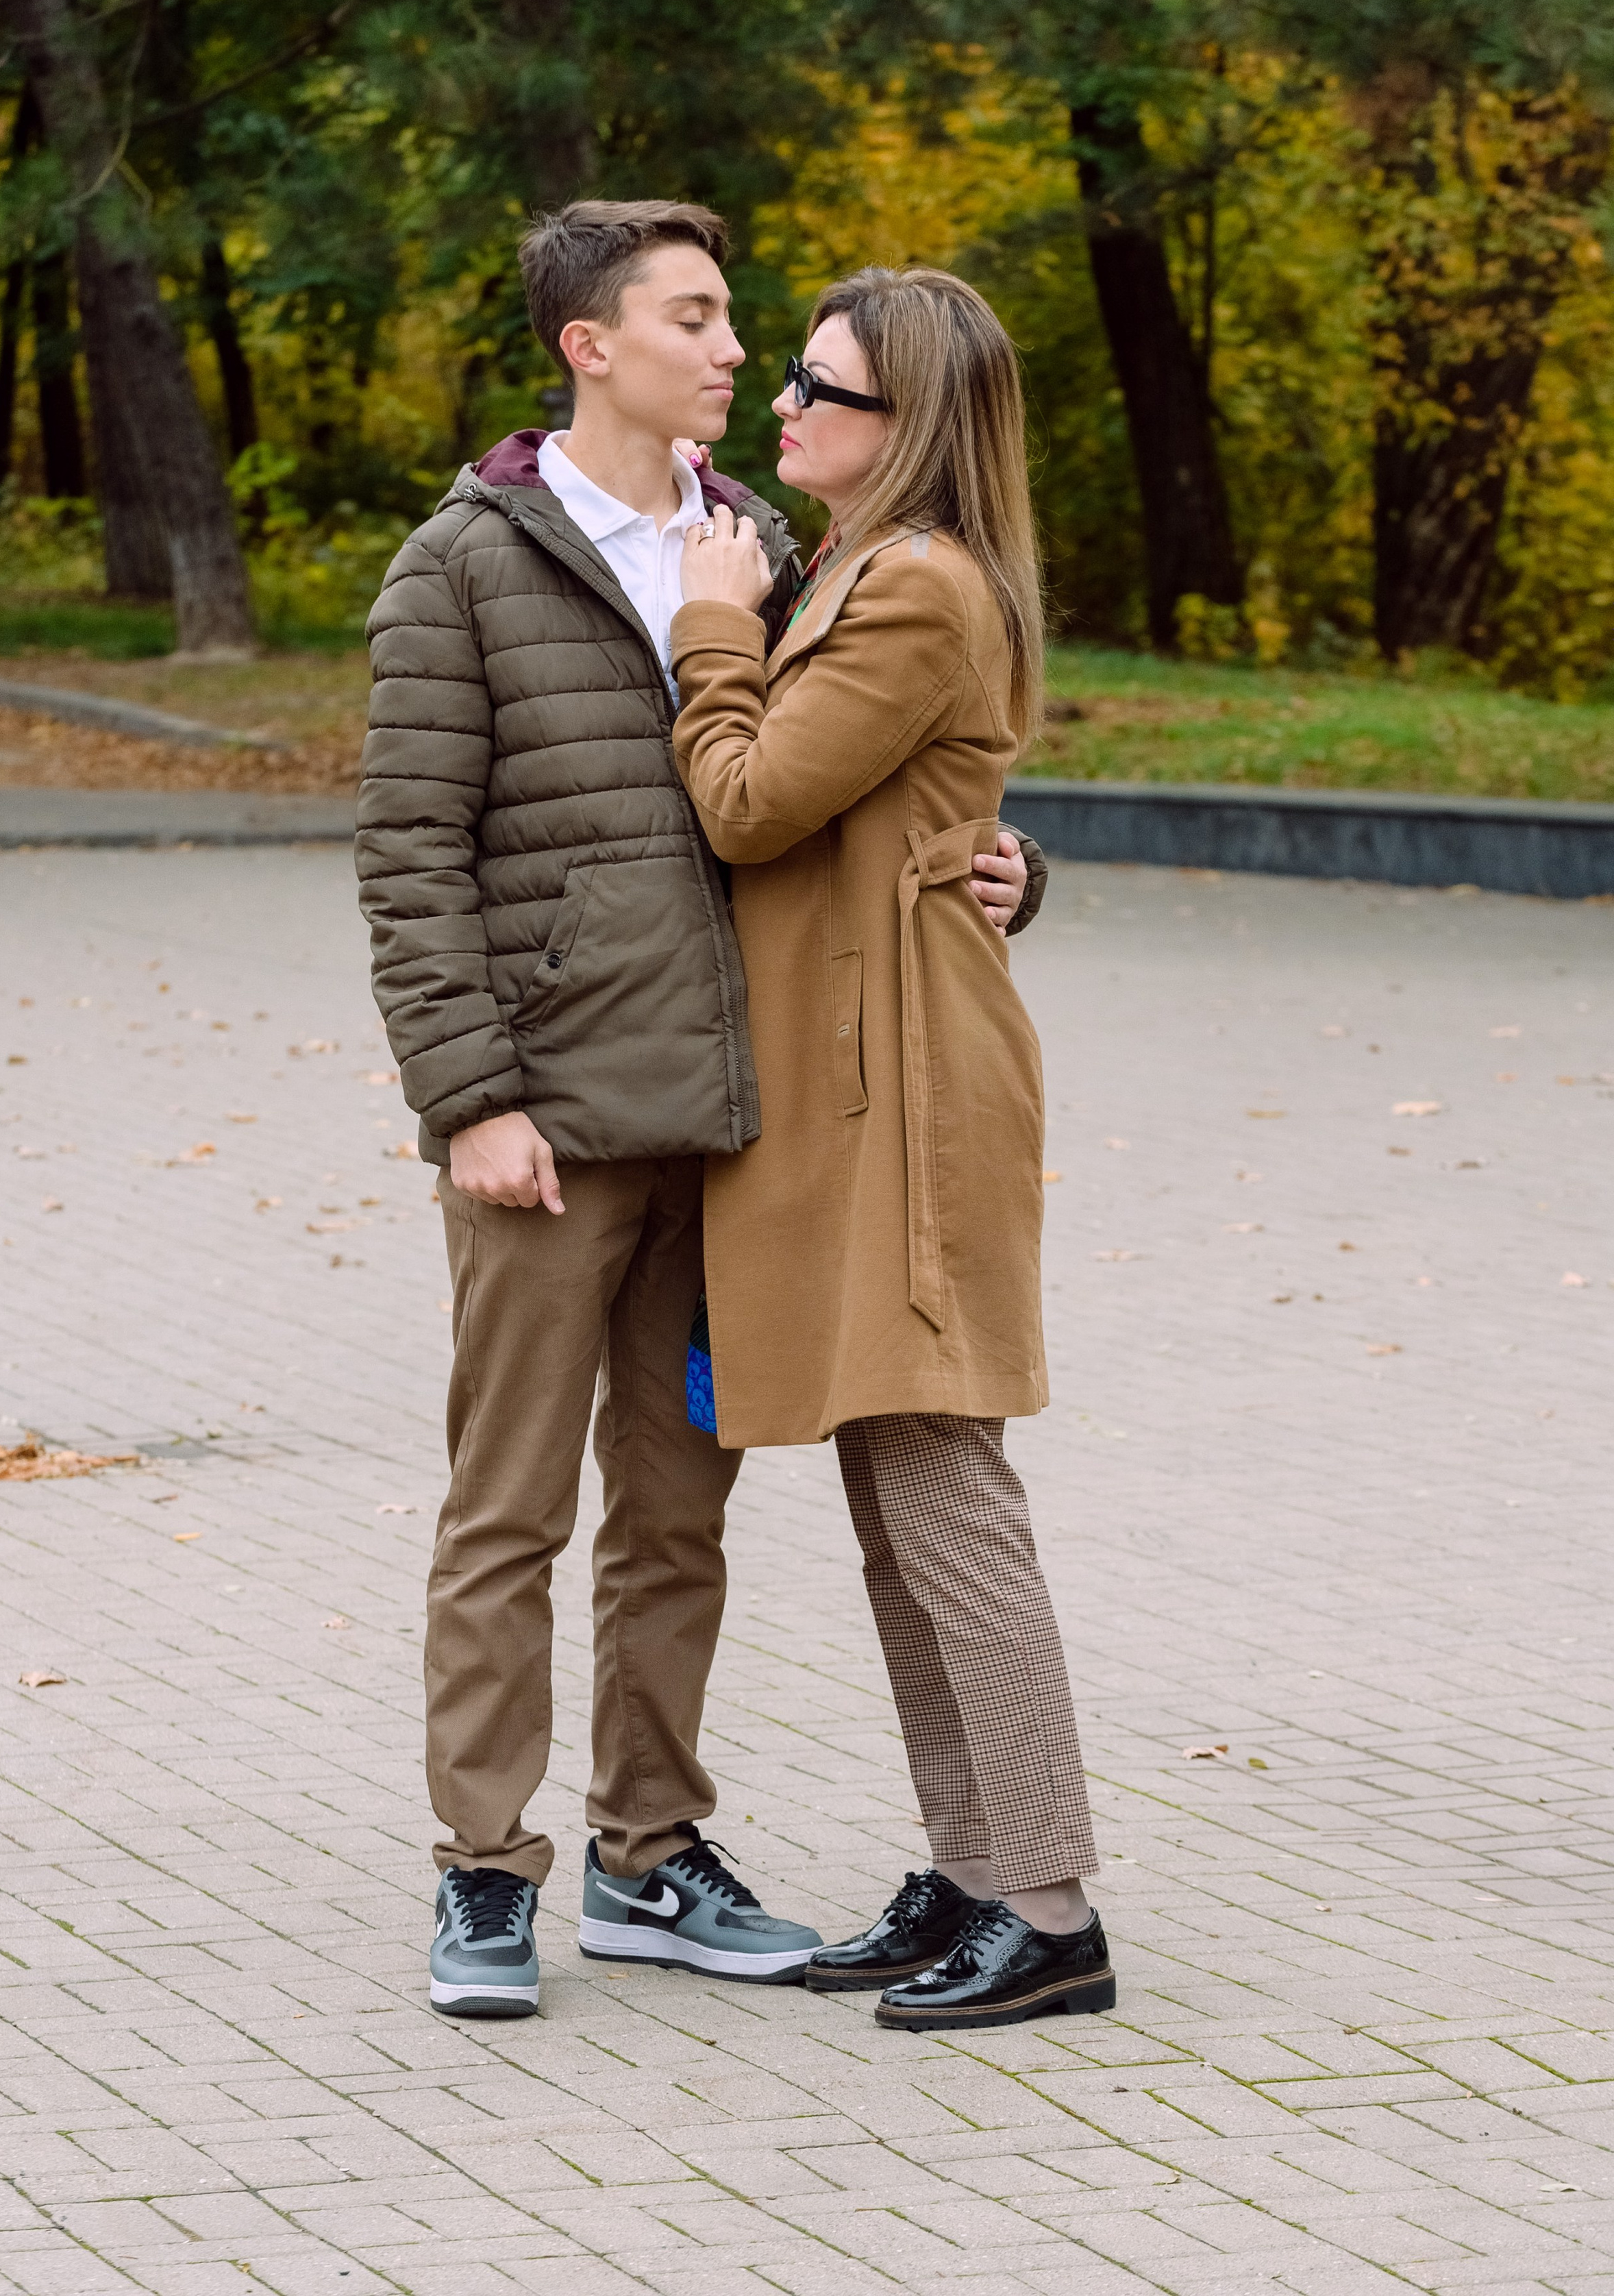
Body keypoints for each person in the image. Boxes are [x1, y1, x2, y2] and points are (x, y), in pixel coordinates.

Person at [356, 203, 1032, 2020]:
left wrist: (994, 871)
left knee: (679, 1523)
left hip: (735, 1138)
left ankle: (650, 1855)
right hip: (547, 1131)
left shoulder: (770, 553)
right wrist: (470, 1099)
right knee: (506, 1515)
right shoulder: (468, 562)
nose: (738, 353)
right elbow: (409, 862)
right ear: (591, 345)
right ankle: (486, 1876)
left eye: (745, 326)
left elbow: (858, 789)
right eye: (700, 317)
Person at [668, 264, 1110, 2034]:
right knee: (894, 1497)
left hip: (911, 1090)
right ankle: (974, 1860)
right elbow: (933, 813)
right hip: (867, 1063)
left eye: (818, 387)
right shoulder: (856, 568)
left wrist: (710, 634)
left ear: (904, 422)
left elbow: (754, 800)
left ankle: (1053, 1902)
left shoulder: (912, 586)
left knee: (945, 1487)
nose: (780, 405)